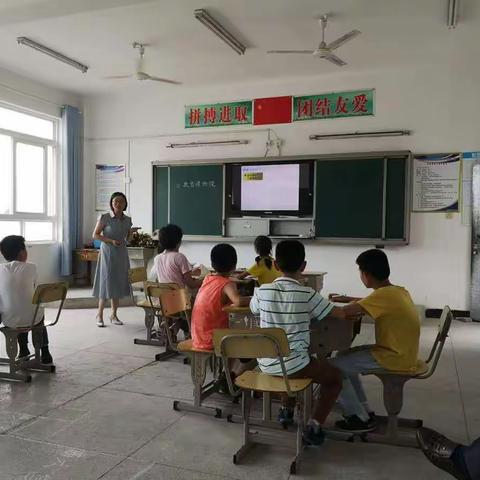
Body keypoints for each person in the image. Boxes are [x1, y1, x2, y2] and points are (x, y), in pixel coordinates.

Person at [250, 239, 345, 446]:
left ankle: (286, 411)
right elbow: (338, 313)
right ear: (303, 267)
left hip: (265, 363)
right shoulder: (307, 294)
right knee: (334, 377)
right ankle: (314, 425)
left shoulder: (263, 291)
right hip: (295, 365)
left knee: (291, 359)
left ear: (275, 265)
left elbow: (253, 309)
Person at [330, 249, 420, 432]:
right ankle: (364, 409)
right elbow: (370, 300)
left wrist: (314, 306)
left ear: (367, 274)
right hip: (402, 352)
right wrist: (347, 298)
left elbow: (343, 312)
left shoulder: (383, 296)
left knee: (332, 367)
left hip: (393, 357)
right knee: (343, 355)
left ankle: (357, 417)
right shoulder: (397, 291)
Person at [0, 235, 52, 364]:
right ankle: (45, 352)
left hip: (8, 320)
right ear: (22, 252)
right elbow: (36, 290)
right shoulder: (31, 267)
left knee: (16, 306)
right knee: (35, 309)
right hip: (33, 319)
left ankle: (23, 349)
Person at [92, 192, 139, 327]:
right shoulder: (105, 217)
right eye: (115, 202)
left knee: (117, 282)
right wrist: (110, 241)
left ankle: (114, 314)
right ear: (111, 204)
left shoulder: (128, 220)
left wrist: (131, 233)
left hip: (121, 253)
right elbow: (95, 235)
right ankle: (99, 315)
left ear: (125, 204)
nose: (118, 204)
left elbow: (127, 240)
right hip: (108, 252)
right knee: (106, 282)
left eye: (121, 201)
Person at [150, 224, 202, 290]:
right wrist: (205, 279)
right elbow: (191, 284)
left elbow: (172, 275)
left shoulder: (157, 258)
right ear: (179, 242)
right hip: (179, 298)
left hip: (164, 298)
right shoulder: (179, 257)